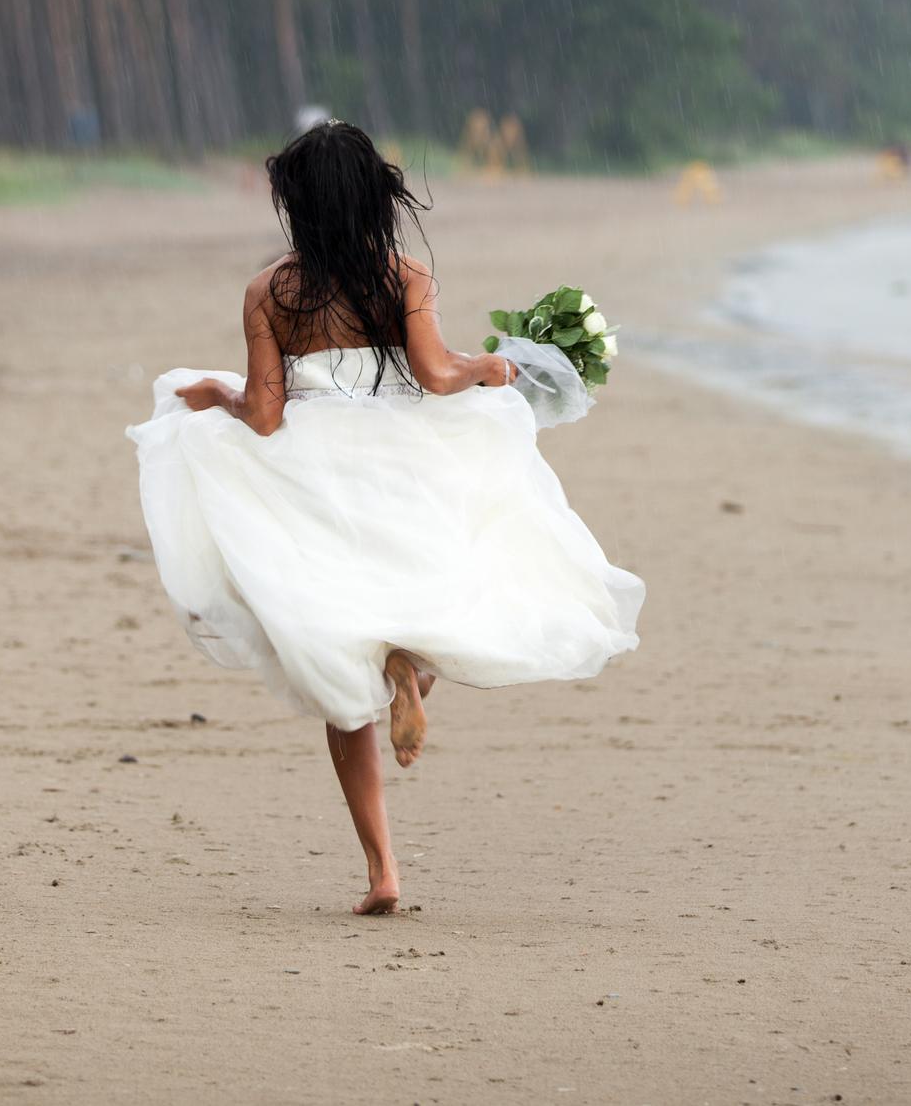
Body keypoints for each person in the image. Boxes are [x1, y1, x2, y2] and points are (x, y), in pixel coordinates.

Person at [126, 120, 643, 914]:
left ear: (295, 204)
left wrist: (216, 393)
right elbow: (436, 376)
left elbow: (264, 416)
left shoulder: (270, 290)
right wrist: (493, 365)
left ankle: (382, 873)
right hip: (406, 456)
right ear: (375, 197)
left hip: (310, 468)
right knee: (452, 576)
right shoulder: (401, 275)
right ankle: (414, 672)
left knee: (338, 654)